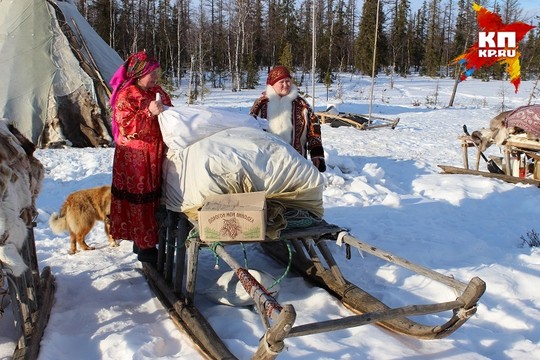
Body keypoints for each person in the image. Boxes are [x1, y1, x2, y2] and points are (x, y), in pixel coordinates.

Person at [108, 50, 172, 263]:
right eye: (150, 72)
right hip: (135, 156)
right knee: (141, 198)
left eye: (156, 72)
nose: (154, 76)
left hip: (153, 152)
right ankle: (145, 245)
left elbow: (170, 112)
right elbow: (126, 126)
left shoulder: (156, 91)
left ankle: (144, 239)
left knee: (154, 196)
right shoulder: (127, 94)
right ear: (139, 73)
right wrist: (148, 113)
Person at [250, 65, 326, 172]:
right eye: (282, 82)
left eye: (288, 81)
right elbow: (250, 129)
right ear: (273, 84)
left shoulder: (302, 105)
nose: (286, 85)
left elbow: (314, 130)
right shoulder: (261, 104)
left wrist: (316, 155)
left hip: (297, 163)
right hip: (267, 164)